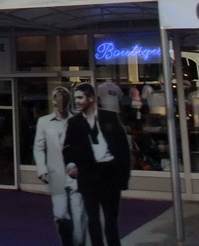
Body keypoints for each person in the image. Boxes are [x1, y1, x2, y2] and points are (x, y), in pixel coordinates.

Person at [63, 82, 131, 246]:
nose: (77, 102)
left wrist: (122, 180)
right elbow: (68, 148)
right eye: (75, 98)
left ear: (91, 98)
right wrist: (71, 165)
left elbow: (123, 150)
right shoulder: (74, 122)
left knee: (111, 220)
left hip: (110, 174)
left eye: (80, 98)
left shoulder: (110, 117)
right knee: (93, 219)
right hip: (88, 175)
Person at [34, 86, 86, 246]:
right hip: (55, 175)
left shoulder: (78, 120)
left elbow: (85, 146)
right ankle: (67, 242)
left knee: (78, 216)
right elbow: (39, 147)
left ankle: (79, 243)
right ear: (54, 101)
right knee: (60, 215)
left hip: (75, 175)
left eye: (65, 99)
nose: (62, 103)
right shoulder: (44, 122)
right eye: (59, 99)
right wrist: (42, 169)